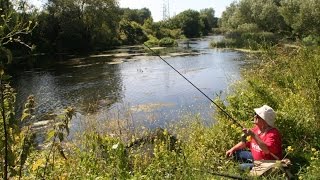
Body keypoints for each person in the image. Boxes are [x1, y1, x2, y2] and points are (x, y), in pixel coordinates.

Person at [226, 105, 282, 170]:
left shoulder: (273, 134)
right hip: (255, 157)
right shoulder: (256, 129)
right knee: (235, 153)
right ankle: (249, 163)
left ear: (264, 121)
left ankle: (250, 167)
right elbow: (245, 143)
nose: (255, 116)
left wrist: (253, 134)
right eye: (255, 114)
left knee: (238, 168)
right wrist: (232, 149)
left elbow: (266, 150)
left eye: (258, 116)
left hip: (265, 164)